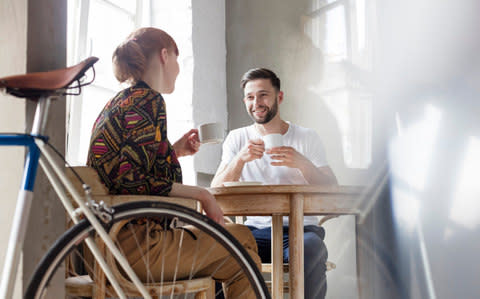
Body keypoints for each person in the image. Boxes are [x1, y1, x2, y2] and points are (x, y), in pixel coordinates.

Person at [87, 27, 260, 298]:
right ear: (165, 55)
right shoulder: (149, 100)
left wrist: (172, 151)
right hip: (137, 248)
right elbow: (130, 180)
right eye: (178, 59)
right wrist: (203, 195)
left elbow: (125, 170)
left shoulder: (121, 101)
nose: (179, 69)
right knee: (242, 244)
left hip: (107, 244)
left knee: (240, 247)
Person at [211, 68, 338, 298]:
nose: (256, 103)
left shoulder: (306, 137)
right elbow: (216, 189)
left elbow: (331, 188)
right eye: (250, 97)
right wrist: (240, 159)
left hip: (301, 230)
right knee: (223, 251)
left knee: (311, 249)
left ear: (279, 97)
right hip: (255, 232)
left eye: (263, 95)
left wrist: (302, 163)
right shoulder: (237, 139)